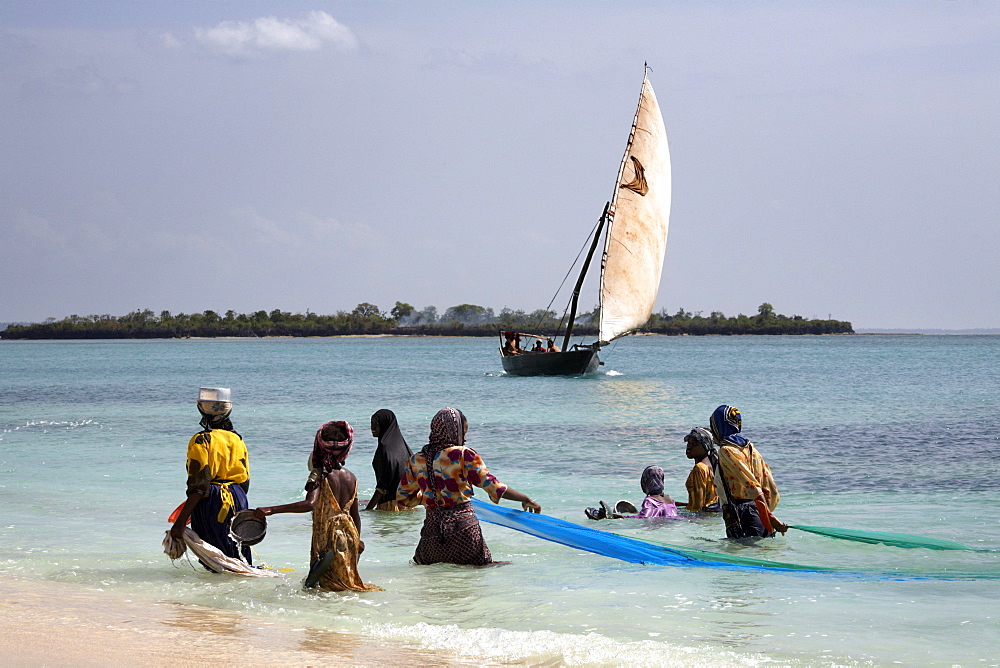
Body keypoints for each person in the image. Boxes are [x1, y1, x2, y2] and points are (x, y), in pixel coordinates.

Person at [398, 407, 541, 566]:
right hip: (464, 533)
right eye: (463, 433)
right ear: (453, 431)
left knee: (433, 583)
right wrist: (524, 498)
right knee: (477, 578)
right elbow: (492, 485)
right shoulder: (462, 455)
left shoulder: (416, 459)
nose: (464, 439)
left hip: (431, 536)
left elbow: (403, 498)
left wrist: (430, 499)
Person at [253, 421, 379, 592]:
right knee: (345, 585)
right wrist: (357, 540)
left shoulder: (319, 474)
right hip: (349, 535)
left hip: (328, 538)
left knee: (325, 586)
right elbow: (354, 514)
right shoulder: (352, 477)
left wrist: (272, 510)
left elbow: (309, 504)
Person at [169, 387, 253, 567]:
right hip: (238, 497)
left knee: (215, 558)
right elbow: (244, 480)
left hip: (213, 500)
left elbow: (199, 486)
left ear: (201, 408)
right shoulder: (237, 439)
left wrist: (180, 523)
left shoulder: (201, 440)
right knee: (238, 553)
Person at [708, 405, 786, 539]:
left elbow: (751, 485)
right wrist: (767, 515)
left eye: (713, 425)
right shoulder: (750, 448)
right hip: (758, 511)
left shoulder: (726, 450)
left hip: (743, 514)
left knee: (742, 555)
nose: (712, 430)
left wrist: (769, 517)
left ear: (719, 426)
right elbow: (770, 487)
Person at [585, 465, 679, 520]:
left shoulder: (650, 501)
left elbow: (644, 519)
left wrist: (613, 516)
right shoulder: (668, 499)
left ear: (645, 482)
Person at [365, 409, 413, 511]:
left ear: (384, 424)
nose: (372, 427)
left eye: (376, 424)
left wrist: (367, 510)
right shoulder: (405, 448)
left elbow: (382, 487)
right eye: (371, 423)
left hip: (390, 506)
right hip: (408, 506)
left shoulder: (384, 448)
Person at [675, 427, 720, 512]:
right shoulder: (710, 465)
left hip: (704, 518)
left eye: (695, 443)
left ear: (705, 446)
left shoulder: (699, 468)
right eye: (689, 442)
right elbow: (707, 501)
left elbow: (697, 508)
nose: (689, 446)